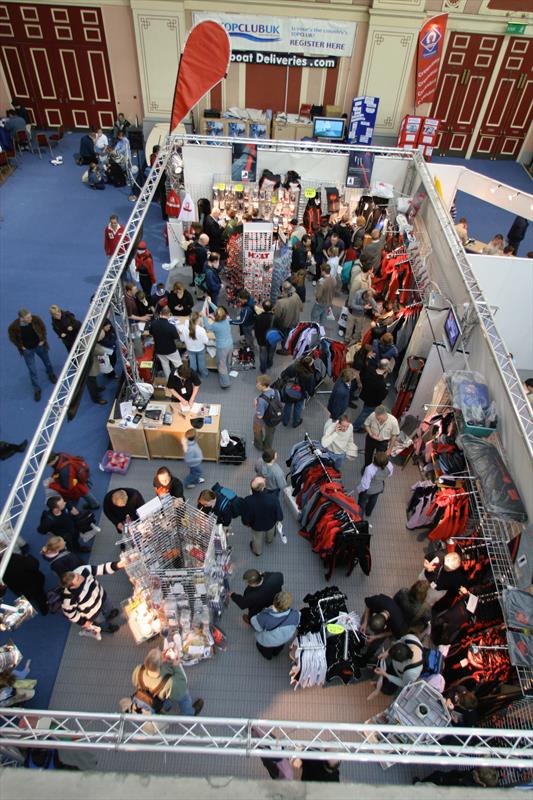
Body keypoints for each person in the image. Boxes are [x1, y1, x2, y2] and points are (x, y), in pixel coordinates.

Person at [130, 647, 203, 717]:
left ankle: (166, 707)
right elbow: (182, 687)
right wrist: (176, 666)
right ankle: (188, 713)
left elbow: (135, 683)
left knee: (164, 698)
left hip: (153, 696)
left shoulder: (138, 670)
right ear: (160, 665)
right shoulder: (169, 682)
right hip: (164, 690)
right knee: (184, 697)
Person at [60, 559, 126, 636]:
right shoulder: (68, 598)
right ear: (73, 587)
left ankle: (109, 614)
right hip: (92, 612)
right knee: (101, 621)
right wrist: (83, 622)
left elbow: (100, 569)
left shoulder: (81, 570)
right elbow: (70, 614)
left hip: (101, 597)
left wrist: (118, 565)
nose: (81, 576)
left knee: (109, 607)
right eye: (78, 579)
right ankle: (106, 628)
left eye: (77, 575)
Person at [8, 308, 57, 402]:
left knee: (47, 362)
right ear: (22, 318)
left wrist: (43, 340)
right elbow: (12, 337)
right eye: (28, 317)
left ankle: (51, 374)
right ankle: (37, 389)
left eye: (30, 316)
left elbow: (43, 328)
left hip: (40, 346)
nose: (31, 318)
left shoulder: (36, 319)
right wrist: (20, 346)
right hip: (27, 350)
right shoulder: (14, 326)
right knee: (32, 370)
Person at [241, 477, 283, 557]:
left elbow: (246, 515)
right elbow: (279, 514)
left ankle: (257, 551)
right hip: (270, 523)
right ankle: (269, 540)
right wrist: (279, 518)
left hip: (257, 526)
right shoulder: (273, 498)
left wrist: (246, 523)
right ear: (263, 488)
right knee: (270, 532)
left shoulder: (248, 500)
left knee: (256, 538)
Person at [250, 591, 300, 659]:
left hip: (268, 641)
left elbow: (256, 625)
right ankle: (276, 653)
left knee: (266, 650)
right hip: (283, 640)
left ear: (274, 600)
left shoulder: (266, 617)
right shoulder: (296, 615)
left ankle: (268, 657)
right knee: (278, 647)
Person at [423, 552, 468, 616]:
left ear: (455, 569)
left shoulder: (458, 577)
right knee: (417, 591)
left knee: (427, 603)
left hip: (436, 591)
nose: (445, 567)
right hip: (425, 577)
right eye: (445, 563)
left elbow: (461, 589)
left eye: (449, 568)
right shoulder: (439, 555)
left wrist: (463, 591)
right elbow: (427, 558)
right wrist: (426, 565)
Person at [352, 359, 390, 430]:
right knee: (365, 413)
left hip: (366, 396)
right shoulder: (381, 384)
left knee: (366, 410)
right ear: (386, 368)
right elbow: (382, 396)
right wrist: (386, 390)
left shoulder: (370, 371)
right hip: (372, 402)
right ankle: (355, 427)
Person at [203, 301, 233, 389]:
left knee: (221, 365)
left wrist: (204, 317)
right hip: (230, 344)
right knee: (227, 361)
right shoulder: (226, 319)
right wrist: (210, 302)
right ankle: (228, 371)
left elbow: (208, 327)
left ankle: (225, 383)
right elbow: (218, 310)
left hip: (222, 347)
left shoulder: (216, 325)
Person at [280, 355, 315, 428]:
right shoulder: (310, 375)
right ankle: (296, 422)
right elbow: (310, 388)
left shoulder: (294, 366)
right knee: (298, 407)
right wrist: (311, 394)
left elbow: (283, 374)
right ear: (309, 365)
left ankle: (285, 421)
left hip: (289, 390)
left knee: (288, 405)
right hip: (300, 393)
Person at [149, 305, 183, 379]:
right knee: (179, 365)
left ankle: (169, 382)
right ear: (169, 314)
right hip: (171, 350)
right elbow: (176, 337)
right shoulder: (171, 326)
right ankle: (181, 379)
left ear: (160, 313)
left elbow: (151, 333)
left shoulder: (153, 323)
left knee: (165, 366)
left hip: (159, 350)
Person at [356, 451, 393, 517]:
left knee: (362, 503)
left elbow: (365, 485)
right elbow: (389, 475)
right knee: (373, 500)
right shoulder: (390, 465)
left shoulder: (370, 469)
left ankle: (359, 517)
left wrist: (359, 490)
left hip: (368, 490)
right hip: (379, 487)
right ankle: (368, 513)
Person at [253, 374, 282, 452]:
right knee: (270, 434)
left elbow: (259, 416)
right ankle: (267, 447)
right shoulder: (276, 391)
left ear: (264, 386)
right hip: (274, 418)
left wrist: (255, 404)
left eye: (258, 384)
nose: (256, 386)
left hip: (263, 419)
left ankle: (259, 445)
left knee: (257, 431)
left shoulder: (261, 400)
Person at [178, 312, 209, 378]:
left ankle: (193, 375)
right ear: (198, 320)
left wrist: (180, 334)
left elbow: (182, 340)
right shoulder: (201, 330)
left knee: (192, 363)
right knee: (201, 363)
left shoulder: (185, 329)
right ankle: (204, 374)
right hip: (200, 349)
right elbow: (206, 341)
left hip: (190, 349)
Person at [413, 767, 499, 788]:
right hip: (445, 779)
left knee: (436, 776)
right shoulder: (475, 783)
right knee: (437, 774)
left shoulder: (466, 782)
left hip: (443, 783)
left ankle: (418, 784)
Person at [254, 301, 275, 373]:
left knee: (263, 354)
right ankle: (269, 364)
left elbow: (256, 330)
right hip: (272, 339)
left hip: (262, 340)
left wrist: (258, 339)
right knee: (271, 352)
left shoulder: (258, 317)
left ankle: (263, 368)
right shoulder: (275, 317)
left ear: (263, 307)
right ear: (272, 307)